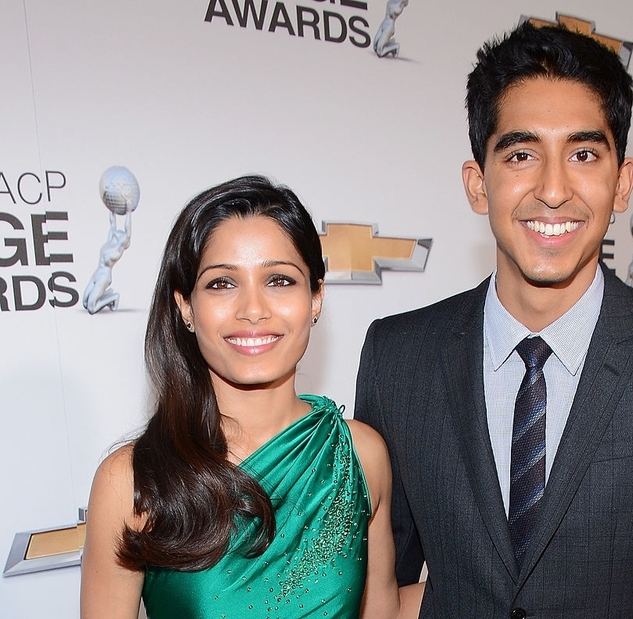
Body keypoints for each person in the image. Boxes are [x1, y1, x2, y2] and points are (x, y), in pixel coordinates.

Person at [354, 22, 633, 618]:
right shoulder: (399, 356)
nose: (553, 190)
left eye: (582, 154)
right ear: (478, 184)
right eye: (522, 154)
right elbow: (377, 590)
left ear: (622, 183)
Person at [80, 175, 423, 619]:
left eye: (279, 280)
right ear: (185, 306)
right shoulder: (130, 482)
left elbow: (384, 612)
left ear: (316, 297)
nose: (253, 309)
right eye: (222, 283)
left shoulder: (360, 456)